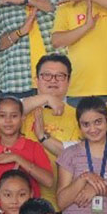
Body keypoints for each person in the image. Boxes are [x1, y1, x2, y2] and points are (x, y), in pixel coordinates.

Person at [0, 96, 55, 209]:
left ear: (22, 118)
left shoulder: (34, 147)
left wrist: (17, 158)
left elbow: (49, 181)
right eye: (2, 116)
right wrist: (2, 190)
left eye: (14, 116)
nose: (8, 121)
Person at [20, 56, 81, 199]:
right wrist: (45, 98)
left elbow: (77, 156)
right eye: (47, 75)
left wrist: (43, 137)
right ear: (36, 80)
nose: (53, 80)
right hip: (22, 201)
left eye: (60, 76)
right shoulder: (24, 111)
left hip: (62, 201)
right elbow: (8, 113)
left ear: (69, 81)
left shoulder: (79, 116)